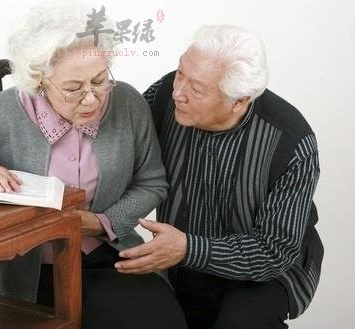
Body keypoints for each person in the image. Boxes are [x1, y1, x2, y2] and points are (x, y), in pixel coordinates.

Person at [0, 3, 187, 329]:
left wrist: (102, 222)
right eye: (73, 89)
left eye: (99, 80)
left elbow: (152, 182)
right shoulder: (1, 114)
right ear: (40, 81)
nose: (91, 98)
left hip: (108, 253)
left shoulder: (128, 102)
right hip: (32, 272)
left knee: (162, 321)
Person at [115, 25, 324, 329]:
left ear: (239, 100)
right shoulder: (164, 96)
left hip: (269, 269)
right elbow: (115, 139)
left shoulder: (291, 141)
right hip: (184, 262)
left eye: (197, 89)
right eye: (180, 73)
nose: (178, 93)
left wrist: (188, 248)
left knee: (240, 322)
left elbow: (275, 250)